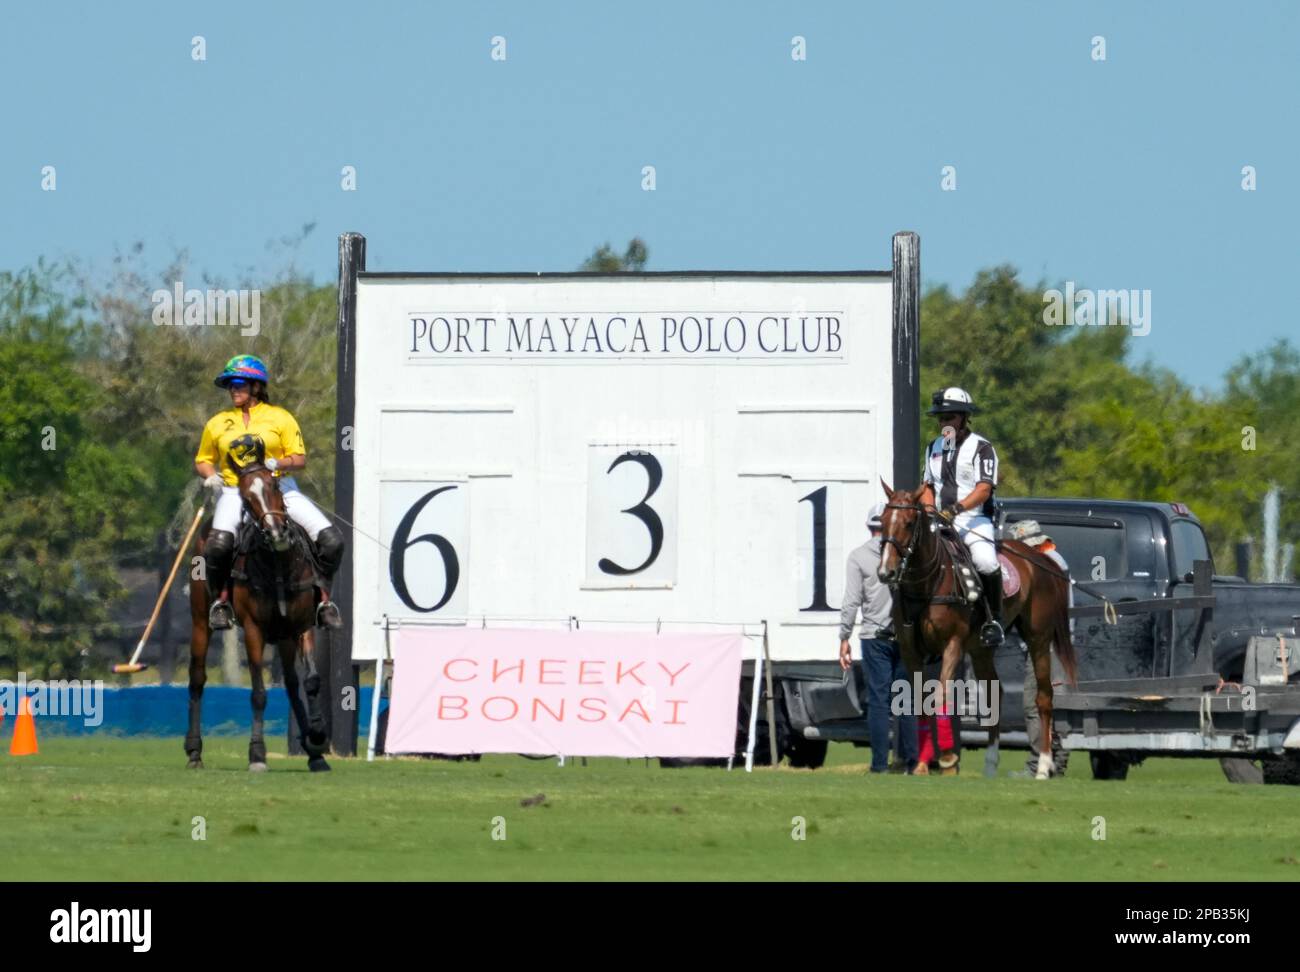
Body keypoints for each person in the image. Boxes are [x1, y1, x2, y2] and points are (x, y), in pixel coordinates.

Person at [194, 354, 346, 631]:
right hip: (234, 491)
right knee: (216, 546)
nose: (233, 389)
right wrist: (210, 476)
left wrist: (280, 463)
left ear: (256, 386)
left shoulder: (280, 417)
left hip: (279, 487)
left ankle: (323, 600)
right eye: (229, 384)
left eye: (238, 383)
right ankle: (221, 602)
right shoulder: (217, 422)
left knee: (332, 540)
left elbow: (299, 458)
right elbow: (203, 459)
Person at [917, 387, 1005, 648]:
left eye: (950, 417)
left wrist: (956, 509)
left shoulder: (982, 448)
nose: (945, 424)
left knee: (986, 562)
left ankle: (994, 620)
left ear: (965, 418)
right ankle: (904, 620)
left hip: (974, 520)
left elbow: (984, 489)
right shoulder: (932, 448)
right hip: (940, 520)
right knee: (912, 554)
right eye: (941, 419)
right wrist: (930, 510)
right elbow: (928, 487)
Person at [839, 502, 919, 774]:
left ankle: (878, 764)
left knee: (879, 701)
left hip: (874, 636)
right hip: (906, 636)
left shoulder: (858, 556)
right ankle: (910, 761)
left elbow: (851, 601)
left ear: (868, 526)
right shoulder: (907, 553)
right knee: (905, 699)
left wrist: (844, 636)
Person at [1004, 519, 1071, 777]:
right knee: (1051, 701)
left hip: (1048, 643)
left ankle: (1037, 765)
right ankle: (1056, 761)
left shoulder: (1046, 564)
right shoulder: (1056, 560)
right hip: (1055, 641)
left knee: (1034, 703)